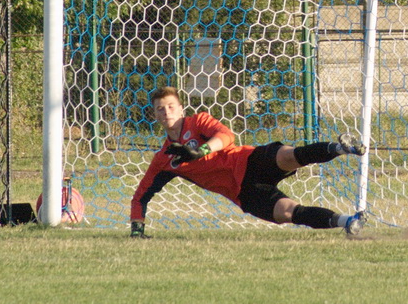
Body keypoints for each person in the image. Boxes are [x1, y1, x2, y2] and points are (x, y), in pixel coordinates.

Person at [130, 86, 367, 237]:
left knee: (288, 156)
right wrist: (137, 230)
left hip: (246, 160)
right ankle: (348, 222)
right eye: (160, 109)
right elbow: (141, 196)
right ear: (155, 115)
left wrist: (200, 151)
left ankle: (341, 147)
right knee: (287, 212)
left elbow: (226, 136)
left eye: (171, 106)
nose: (166, 112)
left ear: (181, 109)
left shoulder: (198, 122)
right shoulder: (163, 159)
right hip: (243, 191)